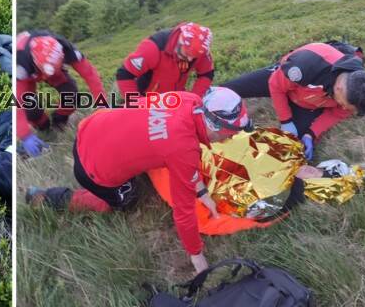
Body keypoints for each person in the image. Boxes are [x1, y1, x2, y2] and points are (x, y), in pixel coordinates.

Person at [26, 87, 252, 274]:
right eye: (232, 132)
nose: (233, 136)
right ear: (215, 125)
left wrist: (201, 192)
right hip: (92, 169)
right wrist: (197, 256)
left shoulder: (189, 99)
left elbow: (139, 105)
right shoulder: (182, 149)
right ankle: (50, 198)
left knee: (156, 153)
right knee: (124, 202)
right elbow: (183, 211)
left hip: (92, 127)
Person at [221, 42, 365, 161]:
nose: (344, 108)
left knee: (296, 151)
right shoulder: (306, 66)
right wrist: (286, 120)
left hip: (307, 105)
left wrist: (311, 134)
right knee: (226, 90)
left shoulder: (355, 94)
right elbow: (275, 85)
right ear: (339, 89)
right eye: (344, 104)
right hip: (281, 80)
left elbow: (335, 114)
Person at [16, 30, 106, 158]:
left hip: (52, 68)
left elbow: (90, 74)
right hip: (29, 75)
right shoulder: (20, 65)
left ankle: (59, 122)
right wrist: (25, 135)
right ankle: (43, 128)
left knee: (70, 94)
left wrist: (102, 104)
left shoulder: (66, 48)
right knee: (30, 109)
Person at [116, 22, 214, 101]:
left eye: (194, 57)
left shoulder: (200, 50)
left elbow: (206, 74)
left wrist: (195, 98)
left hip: (176, 99)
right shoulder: (153, 48)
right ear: (180, 41)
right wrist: (137, 103)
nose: (189, 59)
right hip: (147, 98)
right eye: (187, 54)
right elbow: (124, 74)